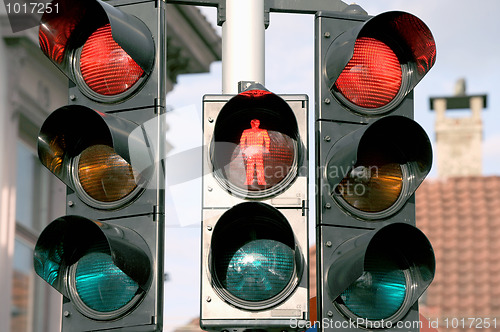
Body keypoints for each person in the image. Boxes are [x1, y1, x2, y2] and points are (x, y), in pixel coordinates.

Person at [239, 119, 270, 185]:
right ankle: (253, 181)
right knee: (254, 166)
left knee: (256, 166)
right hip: (253, 150)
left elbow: (267, 140)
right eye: (255, 123)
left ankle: (258, 181)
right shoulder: (247, 131)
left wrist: (266, 149)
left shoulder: (262, 131)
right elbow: (242, 141)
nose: (256, 124)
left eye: (257, 123)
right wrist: (243, 150)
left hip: (255, 150)